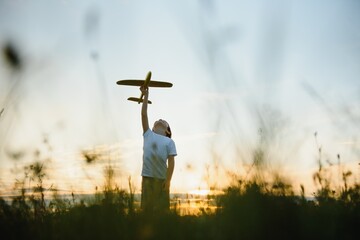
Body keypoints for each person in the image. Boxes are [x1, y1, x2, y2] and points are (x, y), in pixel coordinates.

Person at [139, 85, 177, 213]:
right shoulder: (148, 134)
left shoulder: (170, 141)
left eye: (164, 121)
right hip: (147, 179)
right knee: (146, 211)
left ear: (167, 131)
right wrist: (145, 96)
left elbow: (171, 162)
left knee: (162, 213)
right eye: (158, 121)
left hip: (162, 180)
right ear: (153, 128)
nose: (160, 120)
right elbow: (144, 114)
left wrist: (168, 181)